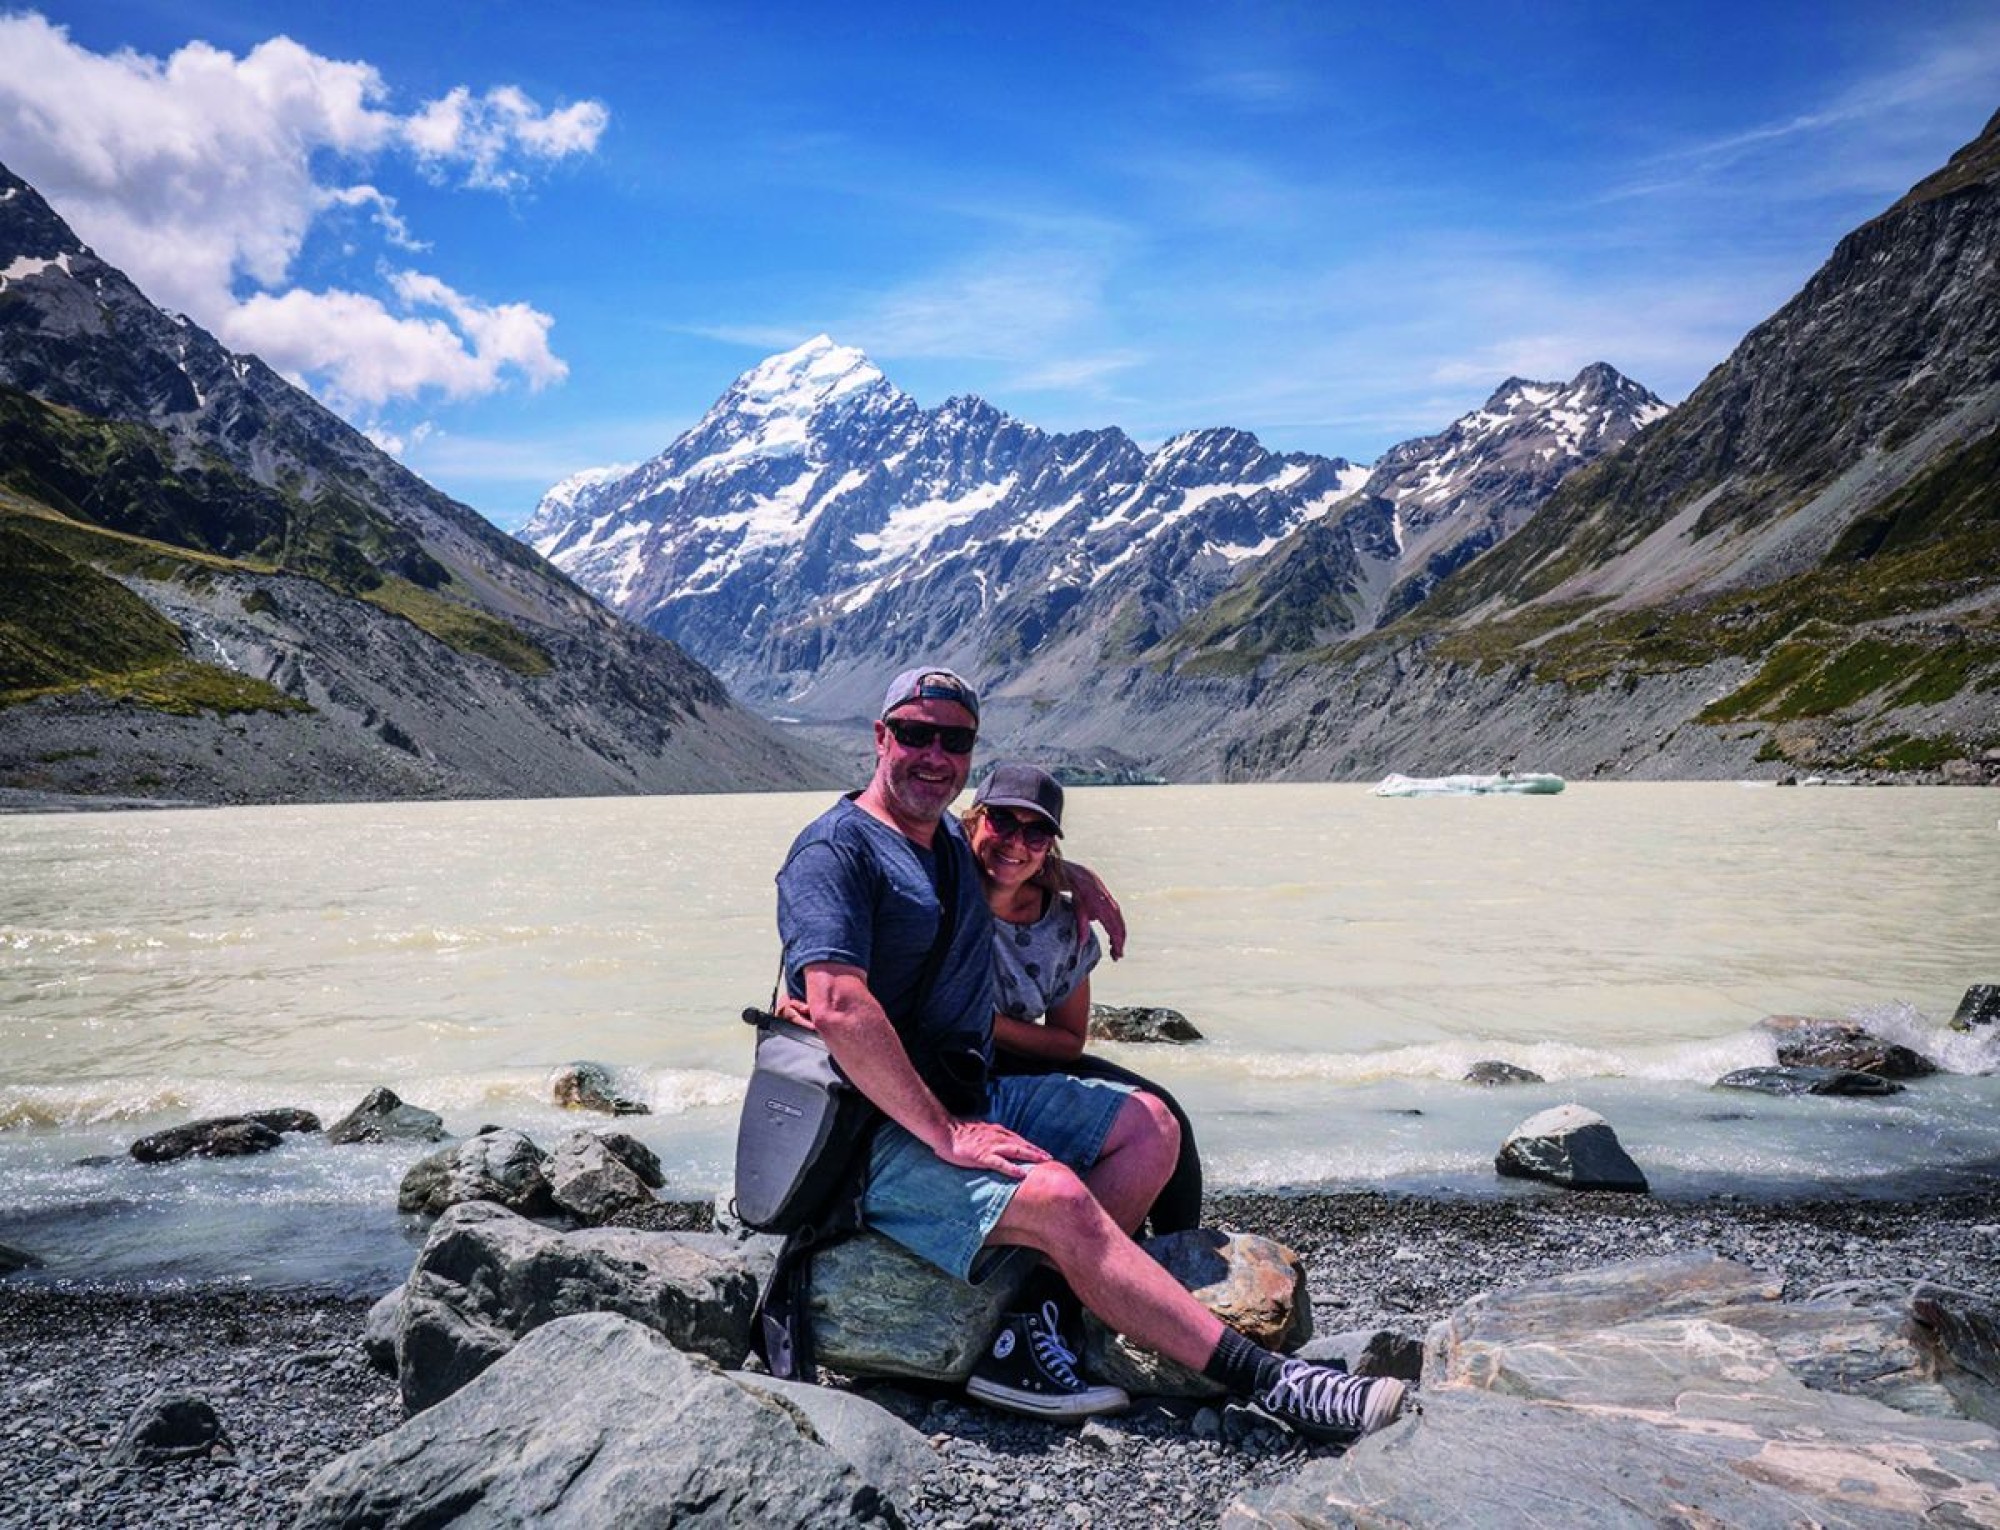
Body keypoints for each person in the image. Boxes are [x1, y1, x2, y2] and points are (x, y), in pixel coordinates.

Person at [774, 664, 1406, 1436]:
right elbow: (838, 1004)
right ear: (880, 737)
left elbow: (1009, 851)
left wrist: (1077, 878)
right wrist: (946, 1133)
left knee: (1153, 1126)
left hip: (969, 1090)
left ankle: (1030, 1320)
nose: (934, 755)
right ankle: (1277, 1384)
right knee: (1063, 1199)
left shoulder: (944, 842)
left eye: (955, 742)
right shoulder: (835, 850)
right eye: (915, 735)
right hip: (871, 1132)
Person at [967, 761, 1203, 1236]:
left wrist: (986, 1023)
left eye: (1036, 834)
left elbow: (1069, 1041)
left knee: (1164, 1112)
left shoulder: (1062, 926)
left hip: (1013, 1056)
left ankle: (1177, 1251)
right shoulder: (940, 881)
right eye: (1002, 821)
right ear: (973, 822)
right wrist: (1071, 873)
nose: (1016, 842)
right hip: (948, 1061)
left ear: (1049, 846)